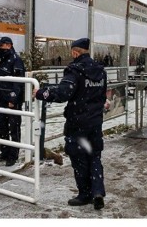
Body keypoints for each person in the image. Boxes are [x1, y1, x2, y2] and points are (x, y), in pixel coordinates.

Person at [33, 38, 107, 210]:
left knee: (79, 158)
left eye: (72, 51)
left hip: (78, 122)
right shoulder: (100, 71)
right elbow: (102, 95)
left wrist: (41, 93)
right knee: (95, 156)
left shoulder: (75, 71)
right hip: (95, 122)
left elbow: (63, 93)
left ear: (75, 52)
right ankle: (97, 191)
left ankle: (84, 194)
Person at [0, 36, 25, 167]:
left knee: (14, 128)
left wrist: (13, 99)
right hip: (2, 100)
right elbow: (0, 80)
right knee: (1, 127)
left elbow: (18, 82)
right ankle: (4, 152)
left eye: (1, 45)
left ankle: (13, 155)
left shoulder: (16, 60)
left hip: (12, 101)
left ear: (8, 45)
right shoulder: (3, 60)